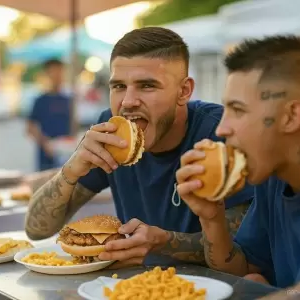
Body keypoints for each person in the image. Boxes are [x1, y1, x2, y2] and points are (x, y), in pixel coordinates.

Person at [24, 27, 253, 268]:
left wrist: (165, 242)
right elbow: (36, 230)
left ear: (184, 91)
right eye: (119, 86)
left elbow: (242, 251)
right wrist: (70, 170)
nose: (128, 102)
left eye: (146, 86)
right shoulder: (109, 134)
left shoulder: (220, 135)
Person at [176, 35, 300, 298]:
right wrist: (211, 218)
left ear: (291, 116)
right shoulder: (274, 176)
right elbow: (243, 269)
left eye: (237, 110)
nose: (221, 128)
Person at [27, 59, 71, 171]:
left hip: (66, 154)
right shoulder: (40, 100)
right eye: (54, 72)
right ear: (47, 74)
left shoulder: (69, 100)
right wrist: (45, 143)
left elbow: (73, 126)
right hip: (46, 156)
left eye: (60, 72)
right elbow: (30, 127)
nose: (57, 76)